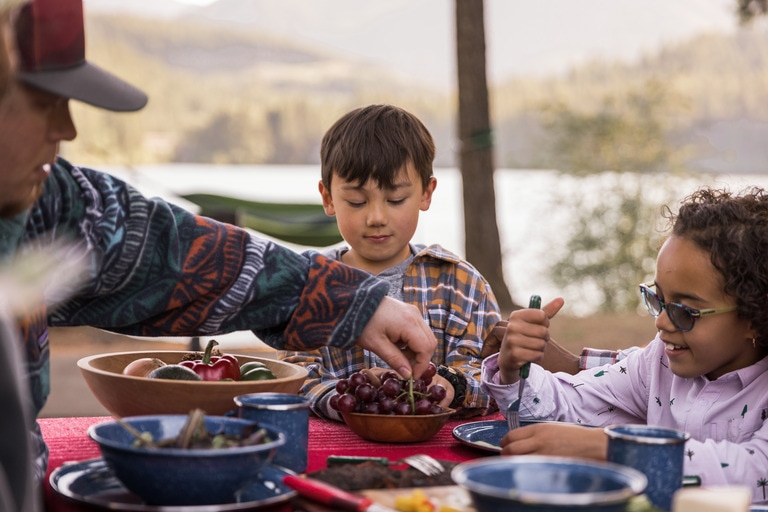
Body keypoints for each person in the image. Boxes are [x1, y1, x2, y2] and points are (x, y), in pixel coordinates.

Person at [1, 0, 437, 485]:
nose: (67, 128)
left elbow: (165, 250)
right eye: (43, 103)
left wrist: (352, 303)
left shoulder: (43, 203)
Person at [480, 187, 768, 504]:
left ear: (755, 315)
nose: (661, 323)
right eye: (658, 300)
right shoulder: (657, 363)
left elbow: (755, 470)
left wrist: (613, 449)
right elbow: (569, 405)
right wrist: (514, 367)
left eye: (685, 310)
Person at [279, 104, 501, 420]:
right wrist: (346, 399)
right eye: (356, 201)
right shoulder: (311, 283)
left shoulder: (460, 283)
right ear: (328, 198)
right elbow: (295, 372)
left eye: (396, 200)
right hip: (340, 450)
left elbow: (490, 372)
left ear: (426, 192)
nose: (377, 218)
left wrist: (452, 385)